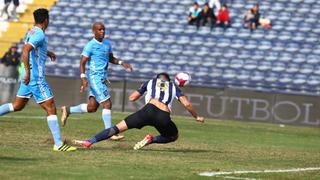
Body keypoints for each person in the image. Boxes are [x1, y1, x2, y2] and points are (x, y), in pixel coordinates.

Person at [0, 8, 77, 152]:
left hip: (28, 76)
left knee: (17, 106)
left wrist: (47, 53)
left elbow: (32, 48)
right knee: (51, 107)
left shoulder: (32, 31)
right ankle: (59, 144)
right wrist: (29, 72)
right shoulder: (40, 34)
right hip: (35, 77)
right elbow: (25, 50)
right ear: (46, 20)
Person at [74, 72, 205, 150]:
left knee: (116, 128)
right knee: (173, 136)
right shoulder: (173, 86)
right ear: (169, 80)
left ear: (157, 78)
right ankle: (151, 140)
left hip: (147, 111)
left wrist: (142, 92)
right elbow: (187, 104)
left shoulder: (151, 82)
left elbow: (132, 98)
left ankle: (90, 141)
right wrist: (196, 117)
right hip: (163, 116)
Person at [60, 22, 133, 140]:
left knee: (92, 108)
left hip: (102, 78)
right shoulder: (90, 45)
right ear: (93, 31)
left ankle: (68, 110)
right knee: (107, 103)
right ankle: (110, 132)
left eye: (103, 29)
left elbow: (110, 58)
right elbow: (82, 62)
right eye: (99, 29)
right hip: (95, 77)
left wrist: (121, 63)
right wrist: (83, 77)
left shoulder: (107, 43)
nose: (102, 31)